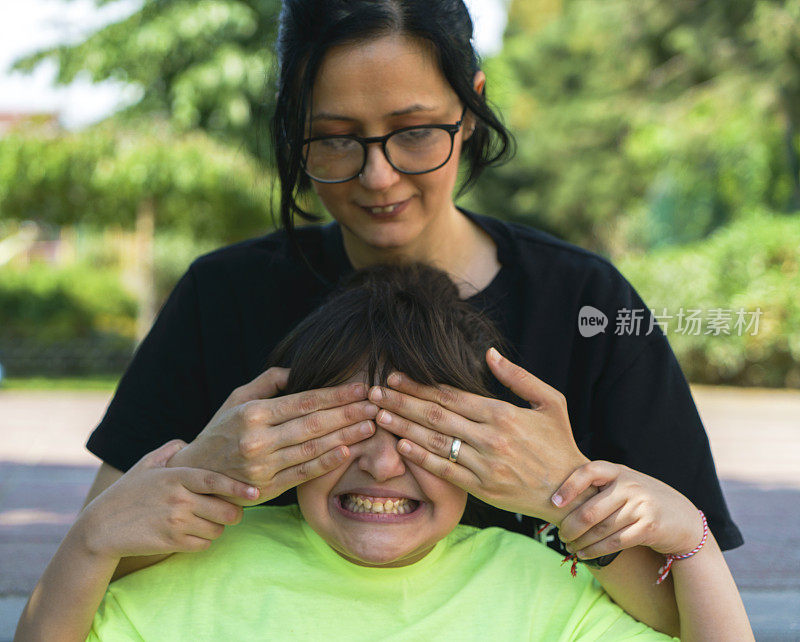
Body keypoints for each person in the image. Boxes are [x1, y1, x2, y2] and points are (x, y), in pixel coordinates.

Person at [77, 0, 741, 634]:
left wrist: (561, 494)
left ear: (471, 109)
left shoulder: (587, 303)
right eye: (334, 139)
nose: (379, 177)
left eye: (417, 132)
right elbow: (98, 563)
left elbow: (688, 608)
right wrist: (208, 473)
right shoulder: (223, 295)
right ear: (293, 132)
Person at [15, 264, 753, 641]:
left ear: (486, 456)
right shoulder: (192, 579)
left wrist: (693, 540)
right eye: (345, 429)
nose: (383, 463)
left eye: (422, 435)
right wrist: (91, 540)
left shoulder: (543, 591)